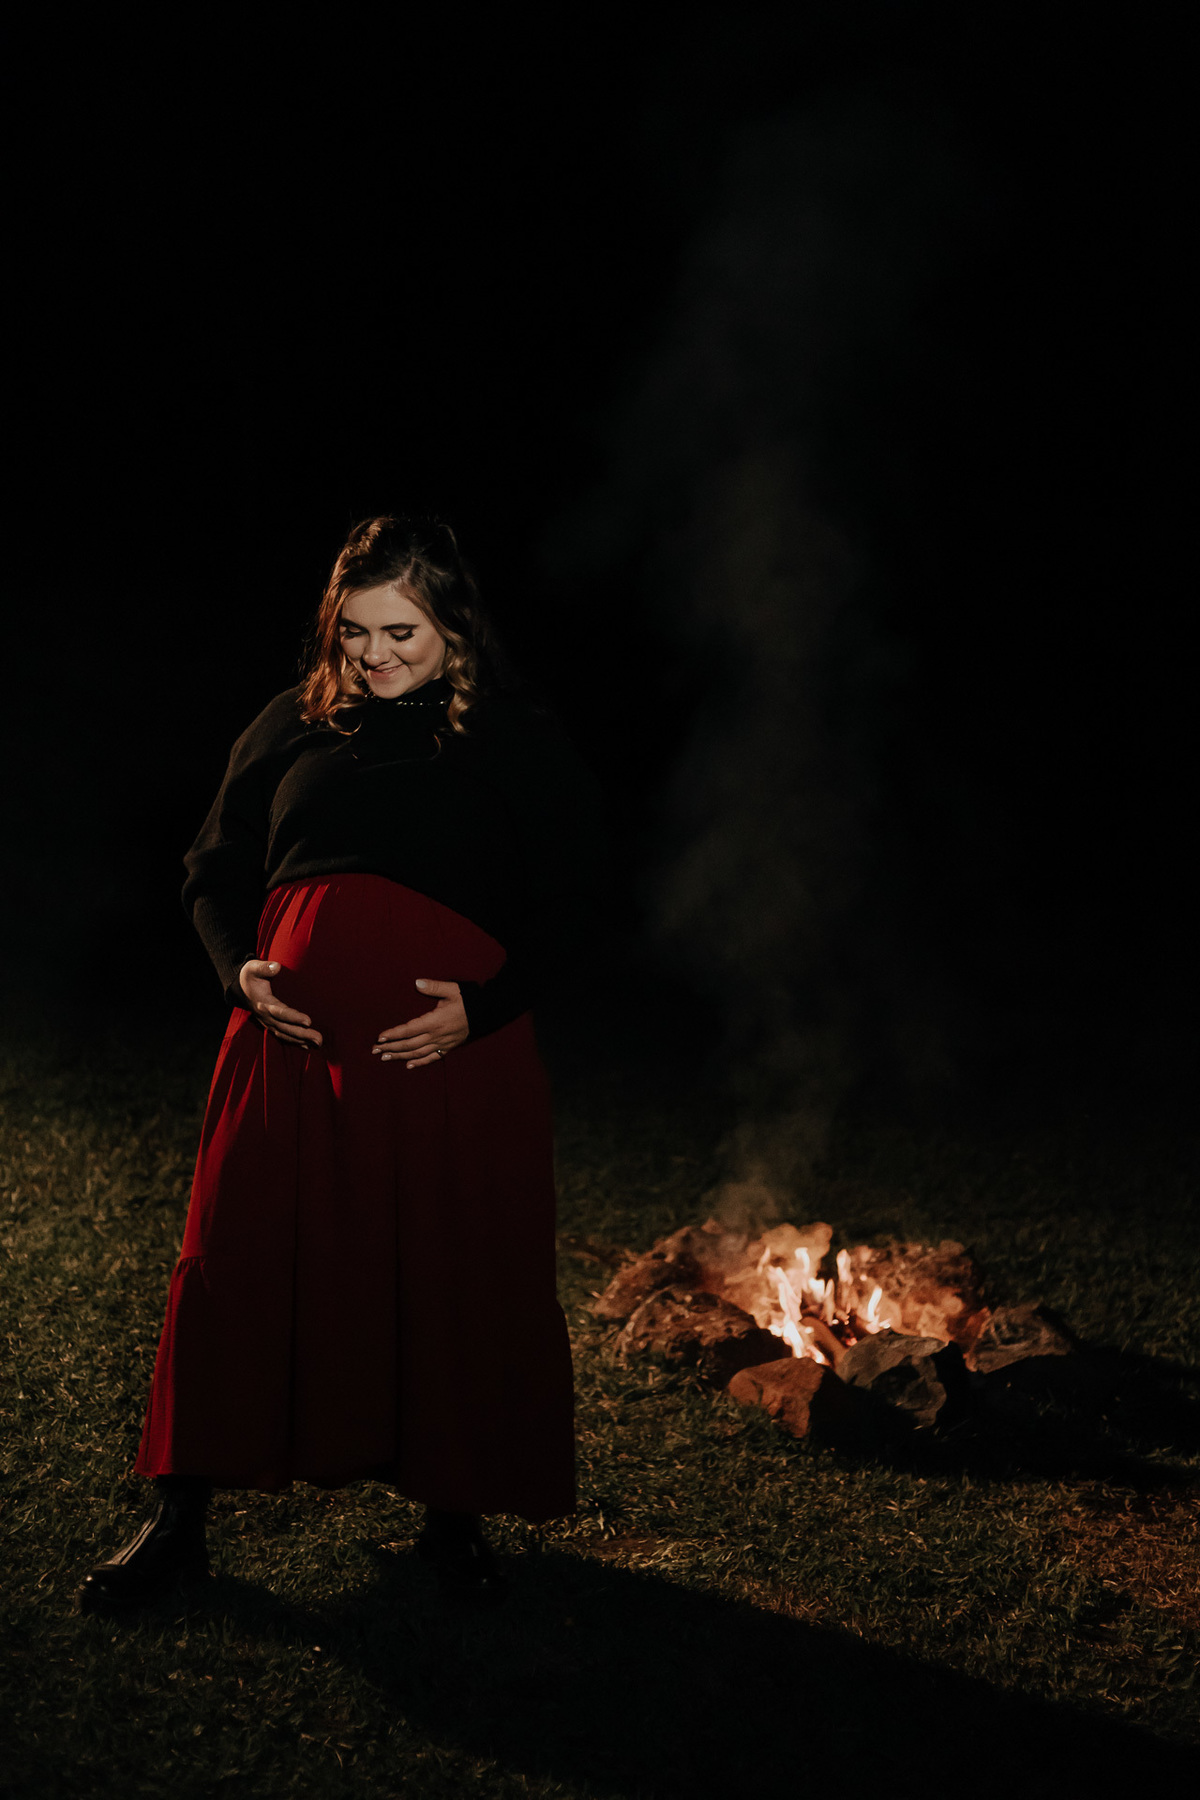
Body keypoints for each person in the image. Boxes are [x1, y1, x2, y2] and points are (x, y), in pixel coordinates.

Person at [76, 513, 608, 1611]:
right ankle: (179, 1521)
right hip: (287, 1050)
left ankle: (451, 1521)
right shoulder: (292, 723)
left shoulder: (511, 736)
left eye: (400, 631)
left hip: (446, 1057)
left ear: (454, 626)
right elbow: (213, 867)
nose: (374, 656)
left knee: (447, 1264)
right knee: (236, 1259)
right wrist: (241, 973)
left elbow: (579, 898)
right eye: (354, 632)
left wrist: (485, 1008)